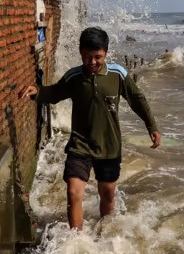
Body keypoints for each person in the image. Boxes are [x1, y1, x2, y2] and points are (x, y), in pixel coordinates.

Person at [18, 27, 161, 229]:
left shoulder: (118, 75)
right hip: (80, 144)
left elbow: (138, 100)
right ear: (80, 53)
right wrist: (38, 92)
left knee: (108, 194)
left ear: (106, 53)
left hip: (108, 145)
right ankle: (75, 241)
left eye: (98, 57)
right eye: (87, 57)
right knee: (73, 193)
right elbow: (55, 93)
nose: (92, 62)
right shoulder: (74, 77)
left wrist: (151, 126)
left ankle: (104, 233)